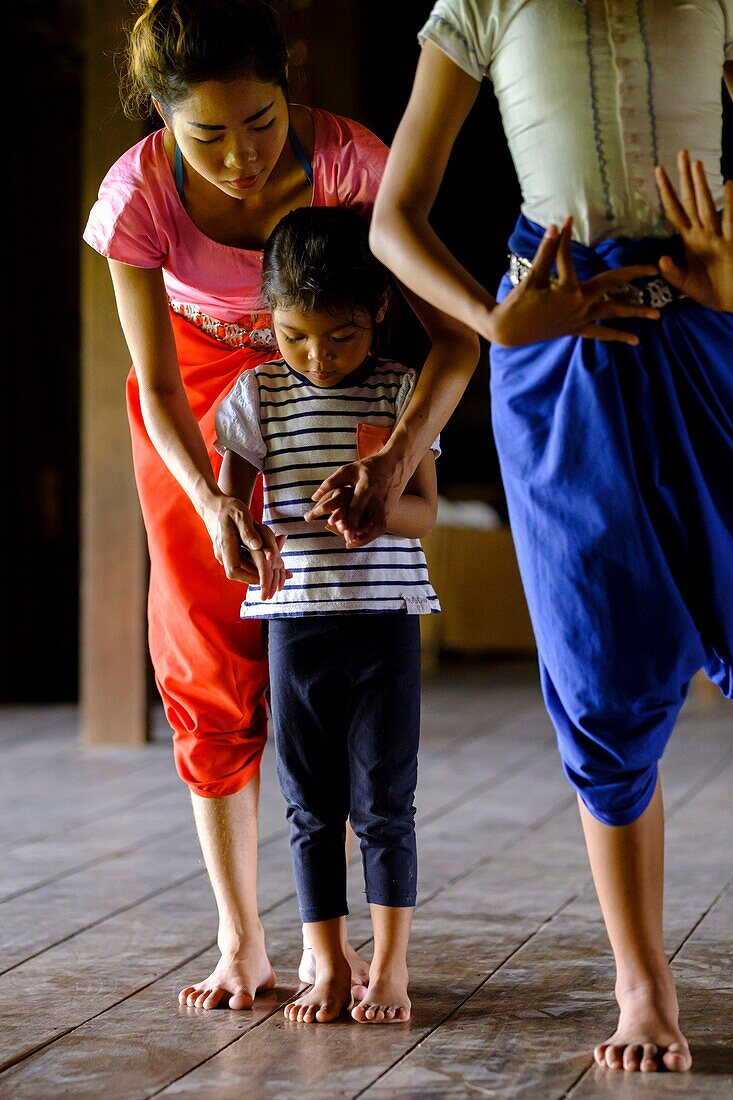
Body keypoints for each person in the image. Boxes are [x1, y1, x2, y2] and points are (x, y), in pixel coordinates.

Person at [355, 0, 733, 1075]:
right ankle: (641, 980)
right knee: (601, 660)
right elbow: (394, 220)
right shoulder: (480, 4)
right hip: (557, 331)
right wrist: (493, 321)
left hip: (711, 315)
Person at [82, 0, 479, 1011]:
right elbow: (161, 385)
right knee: (205, 644)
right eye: (205, 134)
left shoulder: (351, 163)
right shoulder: (138, 196)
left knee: (334, 638)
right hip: (198, 408)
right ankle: (241, 938)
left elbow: (448, 339)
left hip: (338, 387)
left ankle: (336, 938)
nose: (240, 157)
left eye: (260, 123)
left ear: (288, 86)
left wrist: (393, 457)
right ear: (162, 118)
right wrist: (214, 500)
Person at [214, 206, 439, 1024]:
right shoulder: (255, 394)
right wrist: (232, 528)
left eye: (339, 336)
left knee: (385, 797)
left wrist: (379, 505)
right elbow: (228, 508)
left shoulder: (398, 389)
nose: (316, 357)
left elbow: (424, 513)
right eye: (294, 335)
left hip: (384, 619)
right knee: (310, 803)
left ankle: (392, 968)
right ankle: (330, 965)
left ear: (378, 310)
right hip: (293, 622)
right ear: (266, 318)